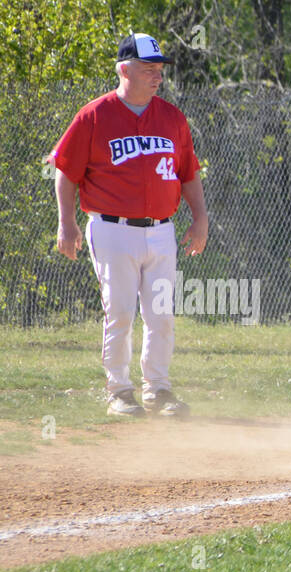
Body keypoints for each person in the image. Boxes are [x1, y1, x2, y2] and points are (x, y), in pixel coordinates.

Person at [50, 33, 209, 418]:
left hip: (161, 230)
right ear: (124, 69)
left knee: (160, 314)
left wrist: (200, 218)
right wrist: (66, 223)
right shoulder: (94, 115)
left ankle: (159, 390)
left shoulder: (172, 118)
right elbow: (66, 172)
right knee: (120, 311)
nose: (157, 76)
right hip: (111, 228)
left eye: (160, 69)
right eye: (148, 68)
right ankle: (120, 391)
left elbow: (188, 174)